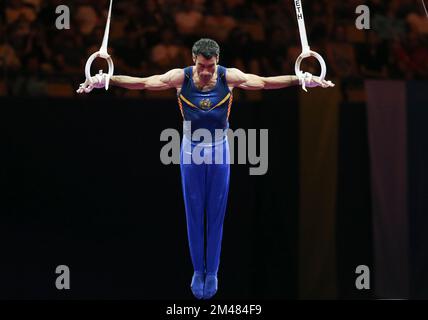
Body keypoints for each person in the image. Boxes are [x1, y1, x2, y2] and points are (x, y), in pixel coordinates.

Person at [77, 38, 334, 299]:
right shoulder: (180, 78)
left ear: (217, 62)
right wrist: (107, 80)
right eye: (201, 66)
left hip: (220, 148)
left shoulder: (229, 77)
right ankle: (197, 270)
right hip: (190, 150)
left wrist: (300, 79)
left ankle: (212, 272)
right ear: (193, 61)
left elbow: (265, 82)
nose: (206, 72)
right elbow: (143, 82)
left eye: (210, 66)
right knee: (195, 212)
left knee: (215, 214)